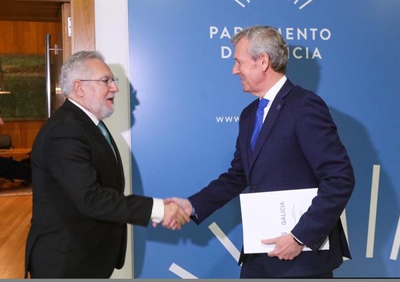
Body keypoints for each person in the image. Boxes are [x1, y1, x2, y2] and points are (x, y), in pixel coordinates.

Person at [169, 26, 355, 278]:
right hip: (260, 257)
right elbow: (238, 175)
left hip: (301, 260)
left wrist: (300, 237)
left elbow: (340, 178)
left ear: (263, 61)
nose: (234, 70)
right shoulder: (248, 116)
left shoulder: (304, 105)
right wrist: (191, 205)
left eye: (239, 62)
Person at [24, 50, 190, 278]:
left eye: (113, 80)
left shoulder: (87, 124)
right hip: (66, 263)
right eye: (106, 81)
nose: (115, 88)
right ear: (79, 87)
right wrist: (159, 209)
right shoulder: (65, 130)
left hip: (88, 257)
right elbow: (91, 198)